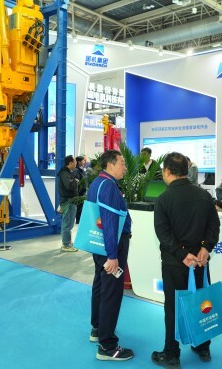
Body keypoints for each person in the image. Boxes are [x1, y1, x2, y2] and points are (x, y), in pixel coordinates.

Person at [152, 152, 220, 368]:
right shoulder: (203, 195)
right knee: (201, 302)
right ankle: (203, 347)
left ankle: (171, 354)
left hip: (175, 263)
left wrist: (182, 254)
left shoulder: (164, 199)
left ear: (167, 171)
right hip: (200, 261)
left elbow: (163, 234)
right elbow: (214, 225)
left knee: (173, 307)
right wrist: (206, 248)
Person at [89, 149, 134, 361]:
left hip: (102, 245)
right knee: (111, 292)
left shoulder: (98, 182)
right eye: (122, 163)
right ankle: (107, 346)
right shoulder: (107, 186)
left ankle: (98, 328)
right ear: (110, 165)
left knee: (100, 284)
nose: (125, 167)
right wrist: (112, 255)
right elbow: (108, 221)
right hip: (112, 245)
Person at [58, 155, 78, 252]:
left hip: (71, 201)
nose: (76, 164)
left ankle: (67, 242)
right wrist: (76, 182)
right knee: (67, 224)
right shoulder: (64, 174)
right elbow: (69, 186)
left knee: (69, 223)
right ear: (70, 163)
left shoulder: (68, 173)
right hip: (68, 201)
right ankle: (66, 244)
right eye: (75, 162)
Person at [73, 156, 87, 224]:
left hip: (83, 190)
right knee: (79, 206)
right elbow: (75, 179)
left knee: (81, 206)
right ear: (79, 162)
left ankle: (80, 219)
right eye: (83, 160)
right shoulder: (76, 170)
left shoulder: (82, 169)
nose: (84, 162)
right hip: (79, 191)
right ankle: (78, 219)